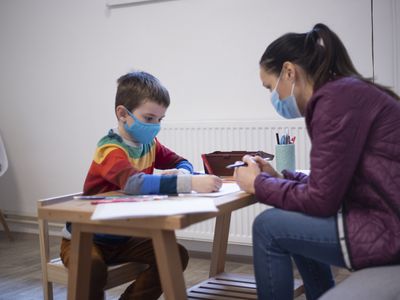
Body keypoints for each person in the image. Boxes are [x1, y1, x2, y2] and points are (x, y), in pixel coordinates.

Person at [234, 23, 400, 300]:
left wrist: (259, 184)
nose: (273, 97)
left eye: (269, 87)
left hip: (388, 226)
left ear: (289, 71)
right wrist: (278, 179)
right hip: (387, 216)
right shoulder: (346, 92)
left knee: (268, 227)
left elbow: (323, 201)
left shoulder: (335, 100)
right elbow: (334, 182)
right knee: (288, 219)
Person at [60, 71, 222, 300]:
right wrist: (190, 182)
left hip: (122, 237)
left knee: (175, 256)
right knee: (91, 269)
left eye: (160, 119)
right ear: (122, 114)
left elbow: (181, 161)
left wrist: (183, 171)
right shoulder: (110, 149)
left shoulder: (150, 144)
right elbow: (134, 183)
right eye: (149, 118)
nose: (155, 126)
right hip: (85, 237)